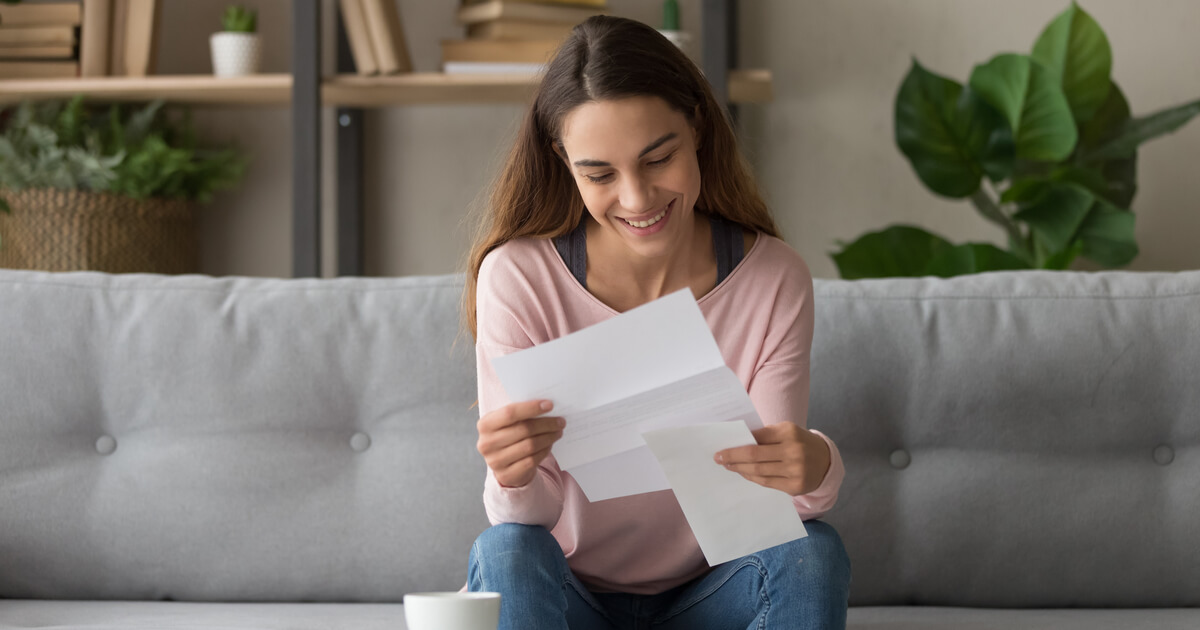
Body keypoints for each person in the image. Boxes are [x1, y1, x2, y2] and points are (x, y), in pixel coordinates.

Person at [463, 15, 850, 630]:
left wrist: (817, 465)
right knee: (505, 550)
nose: (638, 199)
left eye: (659, 158)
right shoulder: (518, 279)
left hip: (712, 592)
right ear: (563, 161)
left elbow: (775, 504)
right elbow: (527, 518)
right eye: (599, 174)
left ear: (696, 127)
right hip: (571, 594)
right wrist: (512, 476)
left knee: (813, 553)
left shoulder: (773, 278)